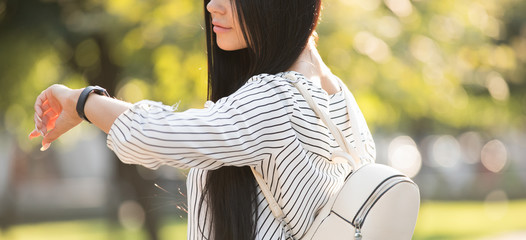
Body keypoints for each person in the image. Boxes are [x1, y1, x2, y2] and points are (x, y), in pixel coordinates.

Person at [29, 0, 376, 239]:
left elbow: (153, 135)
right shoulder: (339, 96)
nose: (212, 5)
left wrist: (81, 101)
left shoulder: (276, 99)